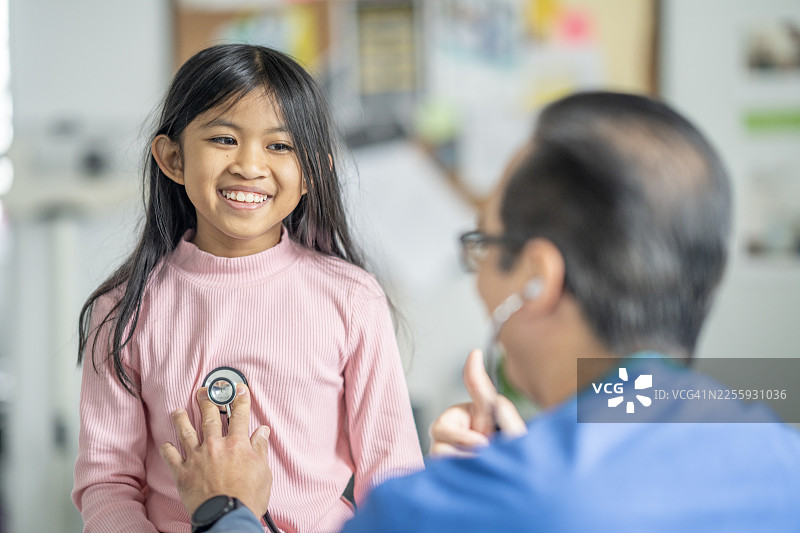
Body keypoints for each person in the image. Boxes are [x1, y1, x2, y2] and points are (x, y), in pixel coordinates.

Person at [162, 91, 800, 532]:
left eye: (484, 245)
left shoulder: (441, 509)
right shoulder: (781, 454)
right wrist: (536, 452)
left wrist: (225, 507)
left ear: (537, 278)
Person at [72, 44, 423, 533]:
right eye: (223, 138)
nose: (249, 165)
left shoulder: (352, 299)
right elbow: (108, 483)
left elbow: (392, 476)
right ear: (172, 158)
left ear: (312, 173)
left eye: (279, 146)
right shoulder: (124, 311)